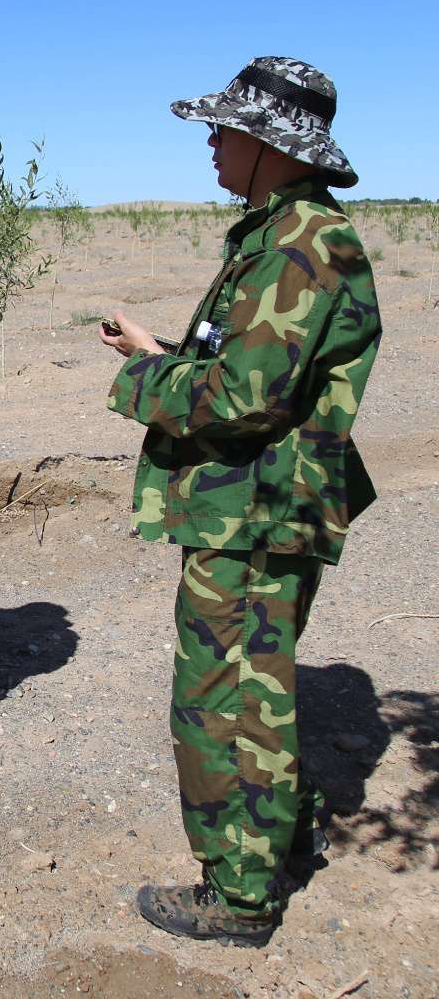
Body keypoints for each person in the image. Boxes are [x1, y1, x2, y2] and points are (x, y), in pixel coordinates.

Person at [101, 57, 381, 947]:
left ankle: (241, 897)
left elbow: (240, 398)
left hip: (256, 514)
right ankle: (279, 836)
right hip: (253, 508)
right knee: (251, 692)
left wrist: (147, 376)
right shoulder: (280, 234)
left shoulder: (301, 245)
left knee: (224, 701)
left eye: (223, 131)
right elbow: (249, 369)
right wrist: (163, 349)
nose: (212, 145)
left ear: (268, 142)